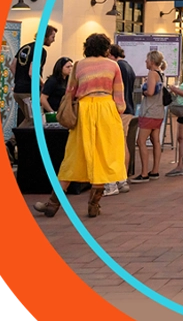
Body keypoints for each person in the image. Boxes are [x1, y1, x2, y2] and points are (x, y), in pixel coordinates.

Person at [34, 32, 126, 219]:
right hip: (106, 110)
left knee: (73, 155)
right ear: (105, 48)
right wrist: (117, 111)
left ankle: (53, 204)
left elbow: (70, 92)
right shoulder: (113, 66)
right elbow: (119, 97)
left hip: (84, 110)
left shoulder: (78, 65)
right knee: (103, 155)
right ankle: (94, 205)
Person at [104, 45, 136, 197]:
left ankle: (121, 178)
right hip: (128, 107)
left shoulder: (118, 67)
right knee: (122, 142)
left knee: (119, 143)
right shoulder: (128, 67)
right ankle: (122, 178)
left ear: (111, 54)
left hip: (120, 109)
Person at [12, 25, 57, 126]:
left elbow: (12, 66)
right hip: (28, 92)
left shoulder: (24, 47)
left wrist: (19, 80)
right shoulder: (40, 51)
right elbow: (32, 72)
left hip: (18, 91)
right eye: (52, 37)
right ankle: (14, 136)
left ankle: (16, 136)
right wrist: (43, 85)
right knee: (34, 120)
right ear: (45, 36)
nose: (53, 40)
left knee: (29, 119)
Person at [131, 51, 166, 183]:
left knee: (141, 141)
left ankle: (144, 173)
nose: (145, 61)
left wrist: (144, 90)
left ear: (152, 61)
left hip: (149, 111)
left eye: (147, 59)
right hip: (158, 111)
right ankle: (155, 170)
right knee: (155, 140)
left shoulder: (152, 73)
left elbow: (150, 92)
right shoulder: (161, 74)